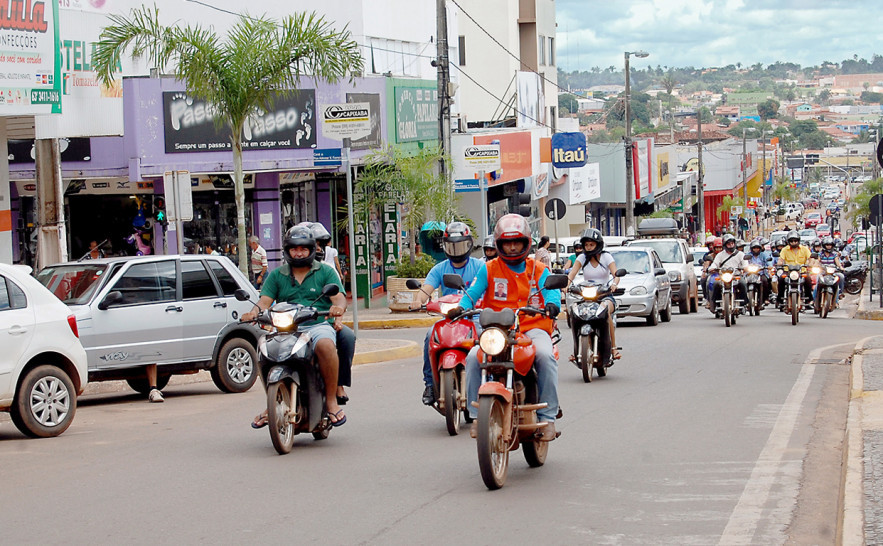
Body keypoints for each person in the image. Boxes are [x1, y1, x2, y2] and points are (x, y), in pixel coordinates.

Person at [456, 214, 562, 441]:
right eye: (507, 243)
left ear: (526, 243)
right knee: (474, 357)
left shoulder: (539, 269)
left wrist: (552, 304)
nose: (512, 248)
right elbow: (472, 294)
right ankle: (476, 416)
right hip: (497, 330)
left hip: (532, 328)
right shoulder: (489, 269)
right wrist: (460, 307)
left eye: (517, 243)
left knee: (545, 356)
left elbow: (551, 291)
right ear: (499, 245)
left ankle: (549, 417)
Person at [242, 226, 348, 429]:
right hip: (286, 328)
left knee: (326, 345)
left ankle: (331, 401)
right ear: (287, 251)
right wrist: (253, 313)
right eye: (294, 249)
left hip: (317, 324)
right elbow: (264, 302)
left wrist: (337, 308)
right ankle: (272, 403)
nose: (298, 253)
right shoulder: (277, 275)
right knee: (264, 350)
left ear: (310, 250)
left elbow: (339, 298)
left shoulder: (325, 271)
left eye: (303, 249)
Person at [408, 222, 483, 405]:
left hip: (474, 317)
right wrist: (418, 300)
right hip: (450, 318)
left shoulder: (480, 267)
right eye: (452, 246)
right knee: (429, 337)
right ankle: (430, 385)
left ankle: (490, 381)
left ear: (469, 245)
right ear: (445, 246)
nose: (456, 250)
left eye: (460, 245)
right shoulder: (440, 268)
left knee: (487, 341)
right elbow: (426, 289)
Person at [306, 222, 356, 404]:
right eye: (314, 244)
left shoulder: (327, 270)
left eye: (320, 244)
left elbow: (339, 299)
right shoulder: (283, 272)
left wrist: (338, 319)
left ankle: (338, 384)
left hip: (323, 322)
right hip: (295, 324)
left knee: (348, 338)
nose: (318, 248)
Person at [567, 228, 621, 360]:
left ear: (598, 244)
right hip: (587, 297)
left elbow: (616, 274)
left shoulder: (606, 257)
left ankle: (613, 348)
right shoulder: (581, 258)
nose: (589, 248)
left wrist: (614, 284)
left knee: (606, 309)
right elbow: (572, 274)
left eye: (591, 244)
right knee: (574, 312)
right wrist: (566, 285)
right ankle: (576, 350)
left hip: (605, 295)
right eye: (586, 245)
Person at [707, 234, 748, 313]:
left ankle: (744, 302)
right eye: (728, 244)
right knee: (715, 284)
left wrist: (745, 268)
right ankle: (715, 303)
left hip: (736, 276)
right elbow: (715, 264)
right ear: (725, 245)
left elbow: (745, 264)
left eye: (732, 243)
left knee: (743, 283)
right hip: (723, 276)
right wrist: (711, 268)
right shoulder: (720, 255)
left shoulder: (740, 254)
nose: (731, 245)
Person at [776, 232, 813, 309]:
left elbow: (811, 259)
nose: (793, 243)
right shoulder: (784, 250)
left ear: (798, 241)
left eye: (795, 241)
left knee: (808, 279)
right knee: (781, 279)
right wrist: (779, 264)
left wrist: (810, 264)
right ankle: (780, 300)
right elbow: (780, 260)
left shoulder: (804, 249)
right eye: (791, 241)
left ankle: (808, 300)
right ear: (788, 242)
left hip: (801, 271)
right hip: (788, 272)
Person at [817, 236, 845, 303]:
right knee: (817, 280)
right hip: (823, 273)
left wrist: (841, 267)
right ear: (824, 246)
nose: (829, 247)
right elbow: (817, 262)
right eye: (827, 245)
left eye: (830, 245)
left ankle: (839, 295)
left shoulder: (834, 254)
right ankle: (814, 299)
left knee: (841, 276)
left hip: (832, 273)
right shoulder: (820, 254)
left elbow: (838, 263)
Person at [746, 240, 772, 304]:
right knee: (744, 283)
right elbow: (744, 262)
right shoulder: (748, 255)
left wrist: (769, 266)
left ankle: (765, 298)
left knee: (765, 281)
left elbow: (768, 261)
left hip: (761, 273)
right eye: (754, 248)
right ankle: (745, 299)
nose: (756, 250)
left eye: (757, 248)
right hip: (750, 273)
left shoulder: (763, 255)